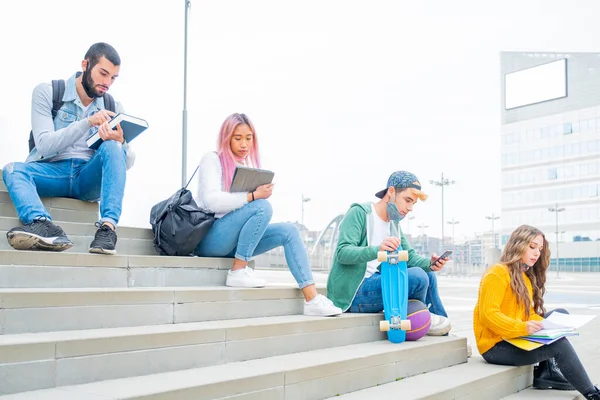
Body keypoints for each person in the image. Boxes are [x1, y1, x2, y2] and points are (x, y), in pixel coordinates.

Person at [192, 112, 342, 317]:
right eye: (237, 138)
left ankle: (312, 299)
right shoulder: (212, 159)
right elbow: (211, 201)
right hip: (210, 238)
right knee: (262, 206)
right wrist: (252, 196)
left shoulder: (245, 166)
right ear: (226, 138)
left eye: (248, 138)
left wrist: (253, 196)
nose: (244, 144)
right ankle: (238, 270)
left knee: (289, 231)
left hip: (234, 243)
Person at [2, 42, 135, 255]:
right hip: (53, 172)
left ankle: (107, 229)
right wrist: (87, 122)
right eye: (103, 73)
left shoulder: (113, 107)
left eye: (113, 78)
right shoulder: (48, 92)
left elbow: (125, 163)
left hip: (87, 178)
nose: (107, 83)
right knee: (12, 170)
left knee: (113, 146)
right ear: (85, 64)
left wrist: (121, 142)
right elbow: (44, 145)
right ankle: (42, 224)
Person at [473, 224, 600, 399]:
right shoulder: (497, 273)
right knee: (558, 343)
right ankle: (593, 393)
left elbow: (528, 314)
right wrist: (522, 327)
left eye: (539, 249)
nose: (537, 253)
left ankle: (546, 371)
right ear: (518, 244)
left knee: (560, 315)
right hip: (495, 346)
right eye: (532, 247)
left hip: (513, 337)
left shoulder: (524, 277)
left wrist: (545, 324)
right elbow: (489, 315)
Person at [326, 171, 452, 336]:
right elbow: (343, 252)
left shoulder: (394, 224)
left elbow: (411, 257)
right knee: (417, 277)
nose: (410, 208)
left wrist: (431, 263)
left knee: (428, 274)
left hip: (377, 284)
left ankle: (443, 329)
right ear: (391, 192)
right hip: (354, 294)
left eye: (413, 203)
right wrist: (378, 249)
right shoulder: (360, 213)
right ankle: (419, 317)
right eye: (407, 200)